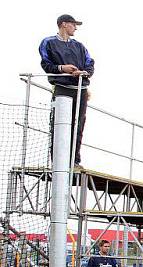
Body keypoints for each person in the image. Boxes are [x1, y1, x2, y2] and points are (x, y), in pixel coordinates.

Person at [39, 14, 94, 169]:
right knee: (59, 124)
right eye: (73, 24)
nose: (75, 28)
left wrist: (83, 73)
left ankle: (74, 161)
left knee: (78, 125)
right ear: (64, 24)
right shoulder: (48, 42)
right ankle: (56, 161)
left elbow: (90, 63)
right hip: (62, 88)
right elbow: (46, 64)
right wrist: (62, 69)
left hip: (81, 90)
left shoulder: (80, 46)